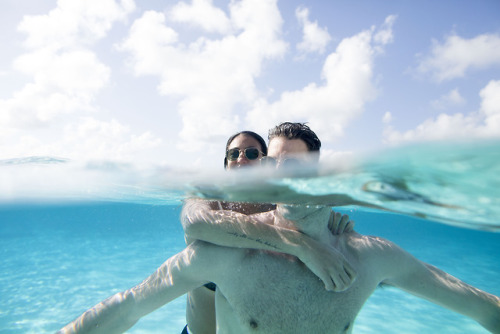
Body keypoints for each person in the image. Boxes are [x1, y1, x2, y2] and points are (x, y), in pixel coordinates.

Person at [57, 122, 500, 334]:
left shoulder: (366, 255)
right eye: (269, 163)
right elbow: (131, 305)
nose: (271, 172)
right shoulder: (223, 240)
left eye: (291, 165)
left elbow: (479, 306)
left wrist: (327, 231)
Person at [183, 130, 355, 334]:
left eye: (252, 154)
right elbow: (195, 223)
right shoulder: (207, 197)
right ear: (226, 164)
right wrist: (302, 246)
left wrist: (333, 227)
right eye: (233, 154)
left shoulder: (283, 209)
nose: (241, 159)